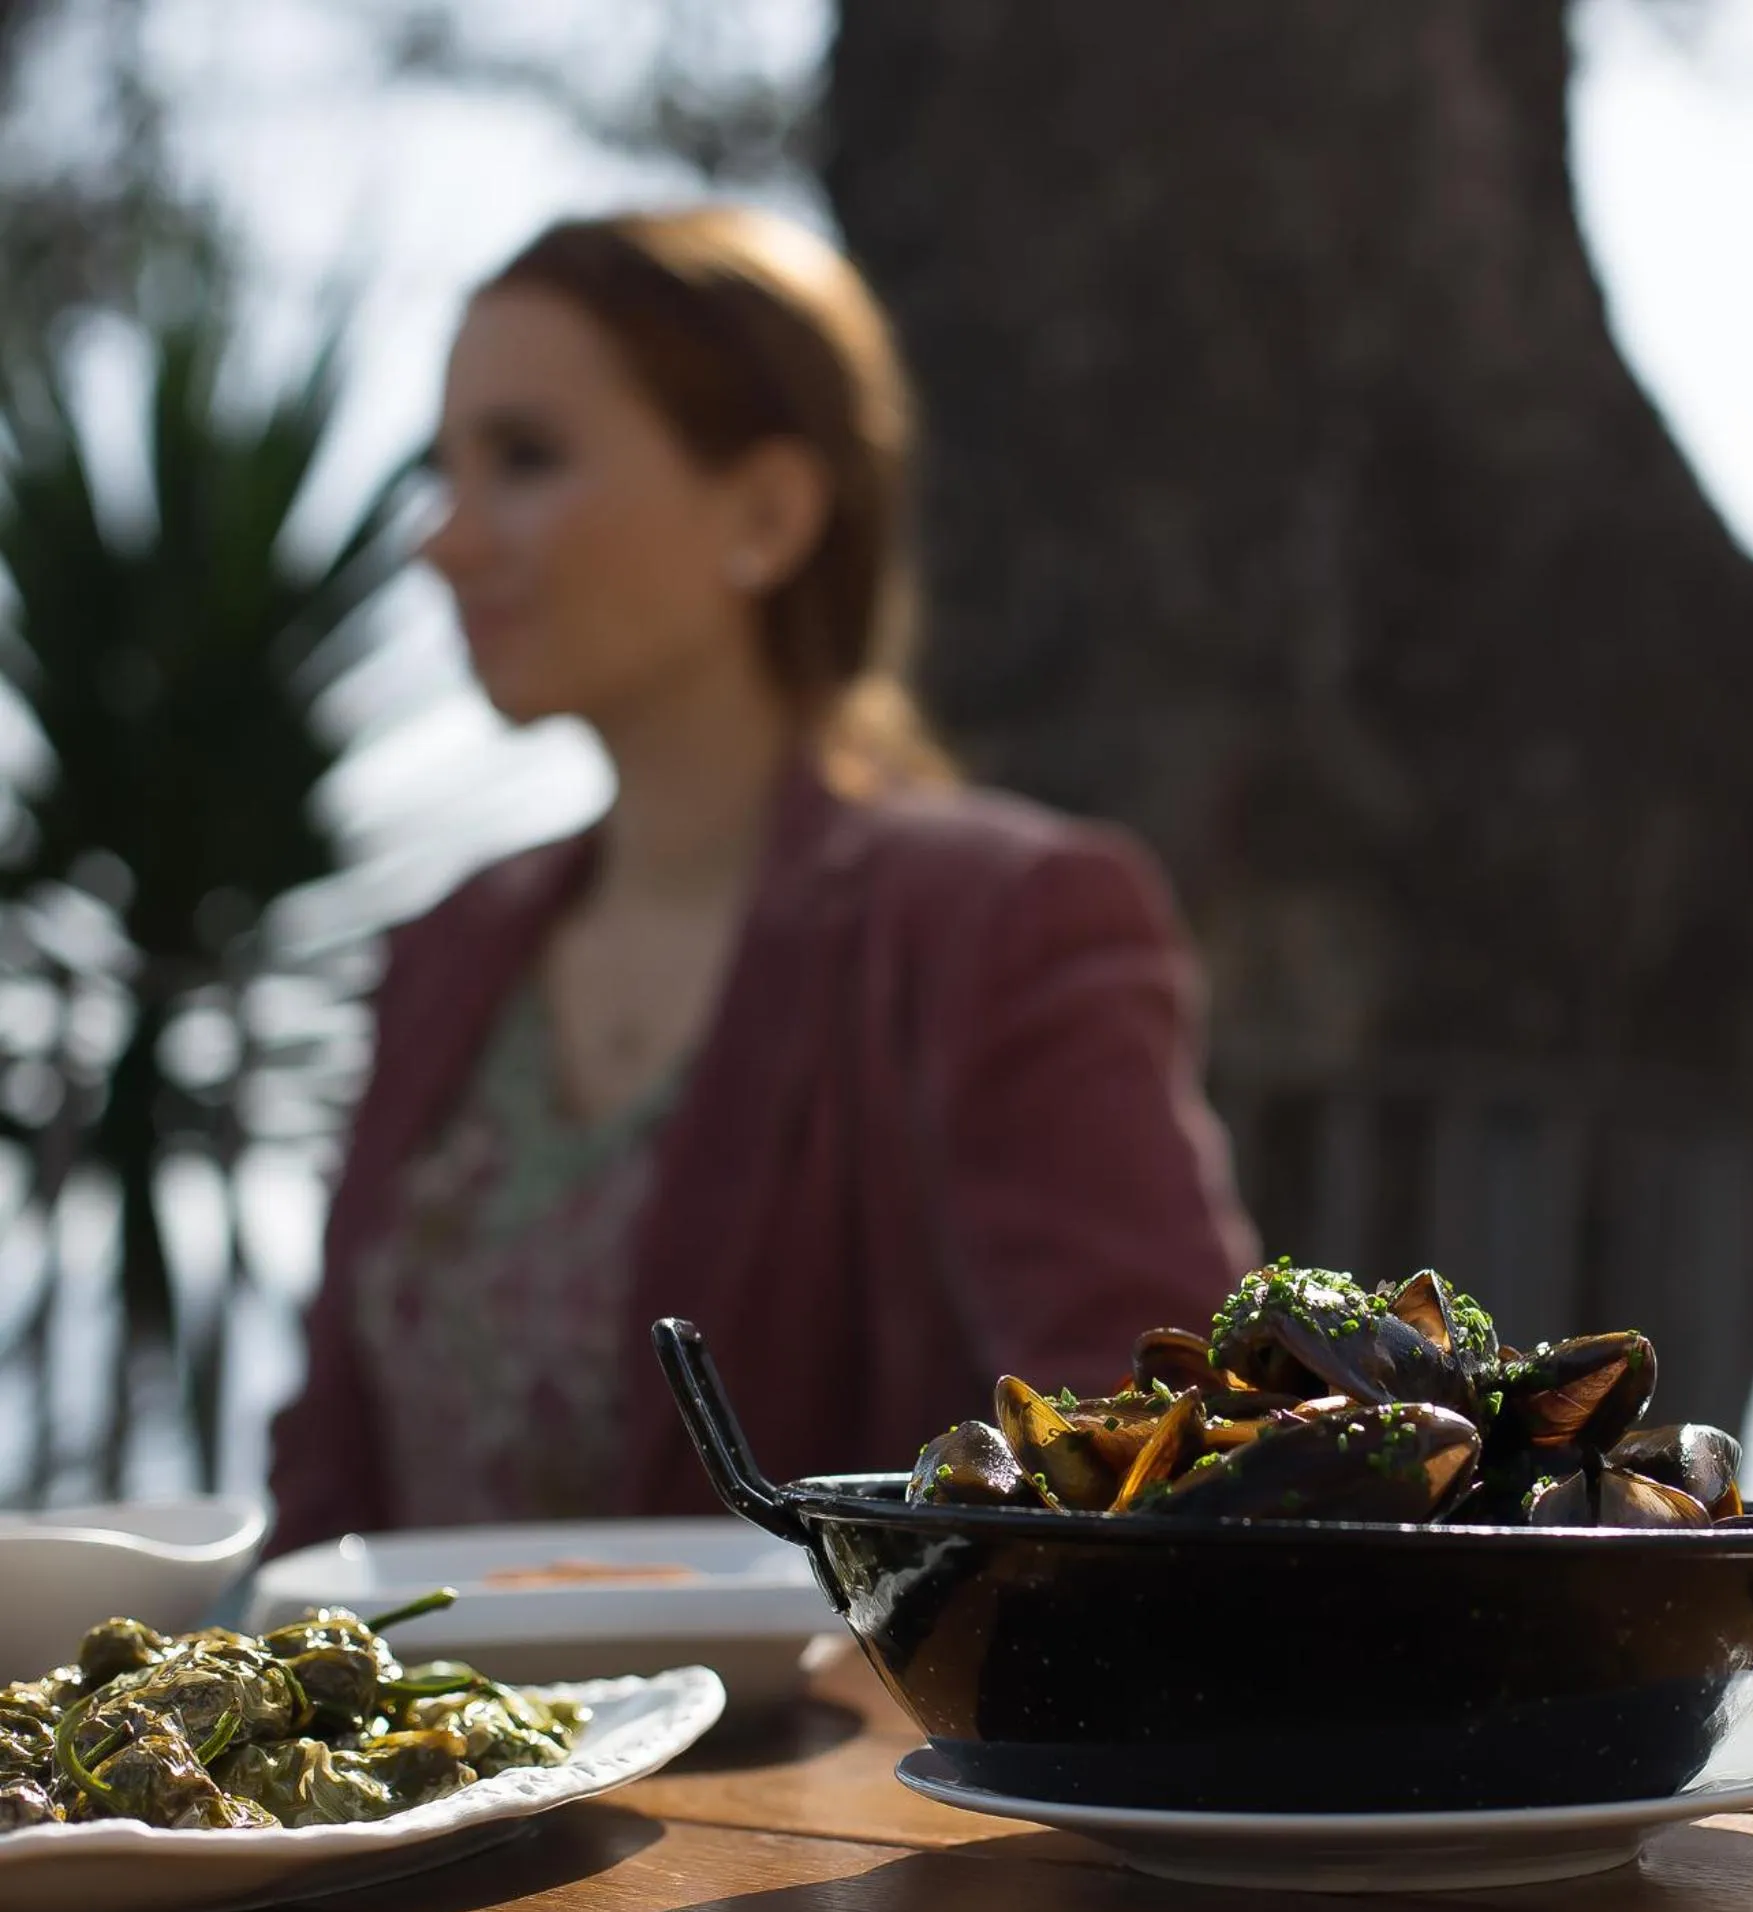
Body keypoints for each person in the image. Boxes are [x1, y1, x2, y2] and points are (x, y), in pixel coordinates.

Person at [266, 206, 1257, 1552]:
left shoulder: (999, 924)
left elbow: (1161, 1461)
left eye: (525, 458)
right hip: (442, 1762)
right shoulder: (450, 948)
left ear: (769, 512)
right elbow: (325, 1485)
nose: (444, 541)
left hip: (823, 1761)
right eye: (444, 469)